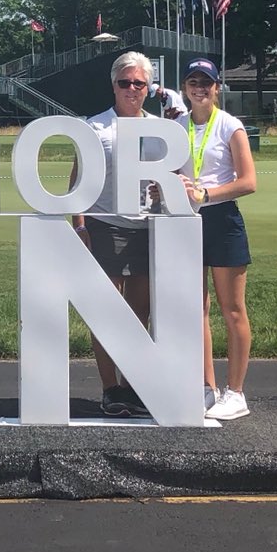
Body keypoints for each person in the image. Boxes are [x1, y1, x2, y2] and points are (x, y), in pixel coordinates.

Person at [70, 51, 165, 417]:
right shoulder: (96, 127)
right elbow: (77, 181)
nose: (131, 89)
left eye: (138, 83)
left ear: (148, 87)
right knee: (107, 311)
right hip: (104, 224)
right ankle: (110, 388)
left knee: (138, 314)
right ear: (114, 85)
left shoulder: (159, 130)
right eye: (124, 82)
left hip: (146, 228)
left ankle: (131, 387)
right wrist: (79, 224)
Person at [176, 57, 256, 421]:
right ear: (185, 88)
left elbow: (248, 181)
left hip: (221, 218)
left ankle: (235, 391)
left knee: (232, 309)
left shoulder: (230, 126)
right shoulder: (176, 125)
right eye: (193, 81)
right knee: (198, 310)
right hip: (186, 219)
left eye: (206, 82)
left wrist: (206, 195)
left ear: (216, 87)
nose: (199, 88)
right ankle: (206, 388)